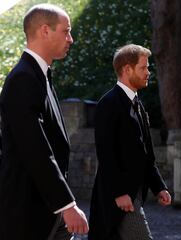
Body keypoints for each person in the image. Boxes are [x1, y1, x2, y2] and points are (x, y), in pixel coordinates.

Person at [0, 4, 89, 240]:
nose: (71, 39)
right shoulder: (23, 79)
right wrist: (67, 205)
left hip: (48, 210)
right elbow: (35, 149)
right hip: (28, 212)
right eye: (66, 31)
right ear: (45, 31)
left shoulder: (41, 76)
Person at [89, 44, 171, 240]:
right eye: (143, 68)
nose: (148, 72)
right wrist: (119, 193)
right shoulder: (108, 104)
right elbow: (106, 153)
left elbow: (146, 154)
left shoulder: (139, 106)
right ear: (127, 69)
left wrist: (159, 186)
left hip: (134, 195)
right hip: (118, 198)